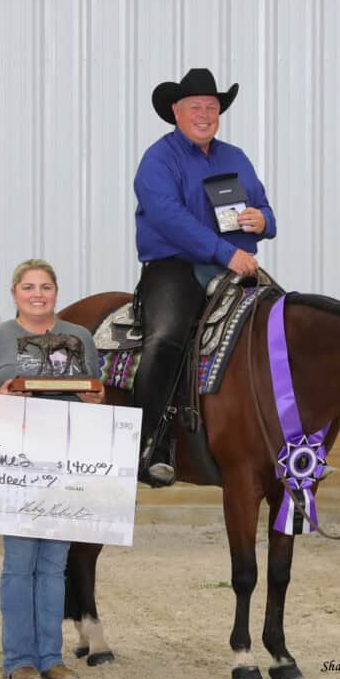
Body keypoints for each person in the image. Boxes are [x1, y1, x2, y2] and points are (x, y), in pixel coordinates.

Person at [133, 67, 277, 486]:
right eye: (195, 106)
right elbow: (168, 218)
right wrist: (223, 251)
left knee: (282, 330)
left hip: (237, 264)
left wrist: (261, 220)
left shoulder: (236, 157)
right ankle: (147, 442)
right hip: (175, 267)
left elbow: (266, 208)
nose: (204, 114)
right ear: (175, 111)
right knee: (166, 339)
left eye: (212, 107)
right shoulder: (159, 159)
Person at [0, 258, 104, 679]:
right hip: (15, 464)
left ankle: (52, 657)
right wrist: (0, 397)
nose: (37, 294)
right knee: (20, 563)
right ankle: (19, 659)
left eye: (45, 287)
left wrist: (95, 398)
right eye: (28, 287)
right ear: (14, 293)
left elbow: (94, 397)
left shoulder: (80, 338)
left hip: (63, 463)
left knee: (53, 564)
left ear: (56, 293)